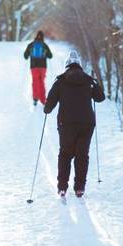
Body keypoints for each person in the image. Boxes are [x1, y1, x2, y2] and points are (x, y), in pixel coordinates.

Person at [43, 50, 105, 199]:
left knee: (65, 154)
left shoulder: (60, 81)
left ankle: (62, 187)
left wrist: (47, 109)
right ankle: (79, 188)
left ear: (67, 65)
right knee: (82, 156)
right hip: (86, 124)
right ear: (80, 65)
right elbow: (100, 98)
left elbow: (49, 105)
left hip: (66, 124)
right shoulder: (89, 80)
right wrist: (94, 83)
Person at [23, 31, 53, 106]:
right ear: (43, 37)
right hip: (43, 67)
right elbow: (50, 56)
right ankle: (43, 100)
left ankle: (35, 98)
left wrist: (29, 55)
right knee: (41, 82)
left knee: (35, 82)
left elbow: (25, 56)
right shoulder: (44, 45)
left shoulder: (31, 45)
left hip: (34, 66)